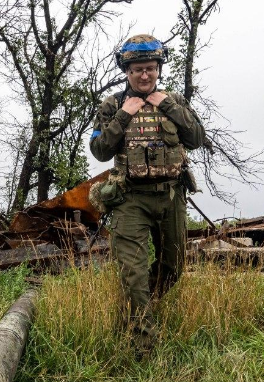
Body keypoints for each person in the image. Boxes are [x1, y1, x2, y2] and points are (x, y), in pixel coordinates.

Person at [89, 34, 206, 354]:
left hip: (171, 196)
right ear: (126, 71)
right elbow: (100, 150)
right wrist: (124, 114)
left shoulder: (174, 101)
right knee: (134, 271)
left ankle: (143, 303)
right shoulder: (112, 105)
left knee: (175, 265)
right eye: (138, 69)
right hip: (131, 200)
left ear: (158, 69)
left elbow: (197, 138)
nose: (145, 75)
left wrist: (166, 104)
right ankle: (143, 343)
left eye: (151, 68)